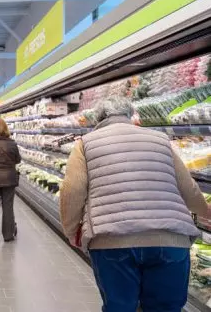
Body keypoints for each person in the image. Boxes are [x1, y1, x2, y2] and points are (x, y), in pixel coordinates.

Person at [60, 96, 211, 312]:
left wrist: (71, 230)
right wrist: (204, 211)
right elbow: (188, 188)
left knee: (120, 307)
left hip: (111, 241)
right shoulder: (160, 140)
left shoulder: (85, 144)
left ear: (99, 119)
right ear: (131, 116)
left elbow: (72, 191)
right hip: (169, 240)